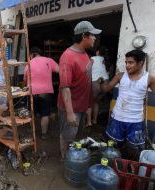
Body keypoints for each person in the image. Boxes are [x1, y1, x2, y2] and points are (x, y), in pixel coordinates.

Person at [100, 49, 155, 160]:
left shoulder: (149, 78)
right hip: (117, 119)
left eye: (130, 62)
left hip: (136, 122)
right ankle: (113, 166)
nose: (127, 65)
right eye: (126, 62)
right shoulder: (120, 76)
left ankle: (128, 168)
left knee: (134, 150)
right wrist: (101, 82)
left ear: (140, 63)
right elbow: (106, 88)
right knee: (113, 147)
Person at [57, 21, 102, 159]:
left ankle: (72, 156)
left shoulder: (85, 54)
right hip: (71, 107)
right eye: (92, 35)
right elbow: (65, 87)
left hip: (82, 106)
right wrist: (70, 113)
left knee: (76, 135)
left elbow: (85, 80)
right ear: (84, 36)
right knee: (67, 136)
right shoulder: (67, 57)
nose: (95, 38)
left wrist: (88, 105)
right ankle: (65, 159)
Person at [24, 47, 59, 139]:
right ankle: (44, 134)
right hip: (46, 92)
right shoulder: (49, 60)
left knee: (31, 114)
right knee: (45, 114)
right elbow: (59, 70)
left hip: (32, 91)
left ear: (31, 55)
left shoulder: (28, 64)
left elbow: (25, 80)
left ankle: (32, 134)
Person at [86, 47, 109, 126]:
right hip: (105, 81)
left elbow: (87, 69)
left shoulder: (92, 59)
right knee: (96, 102)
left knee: (89, 102)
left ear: (97, 52)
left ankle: (89, 122)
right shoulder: (103, 59)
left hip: (95, 81)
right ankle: (95, 120)